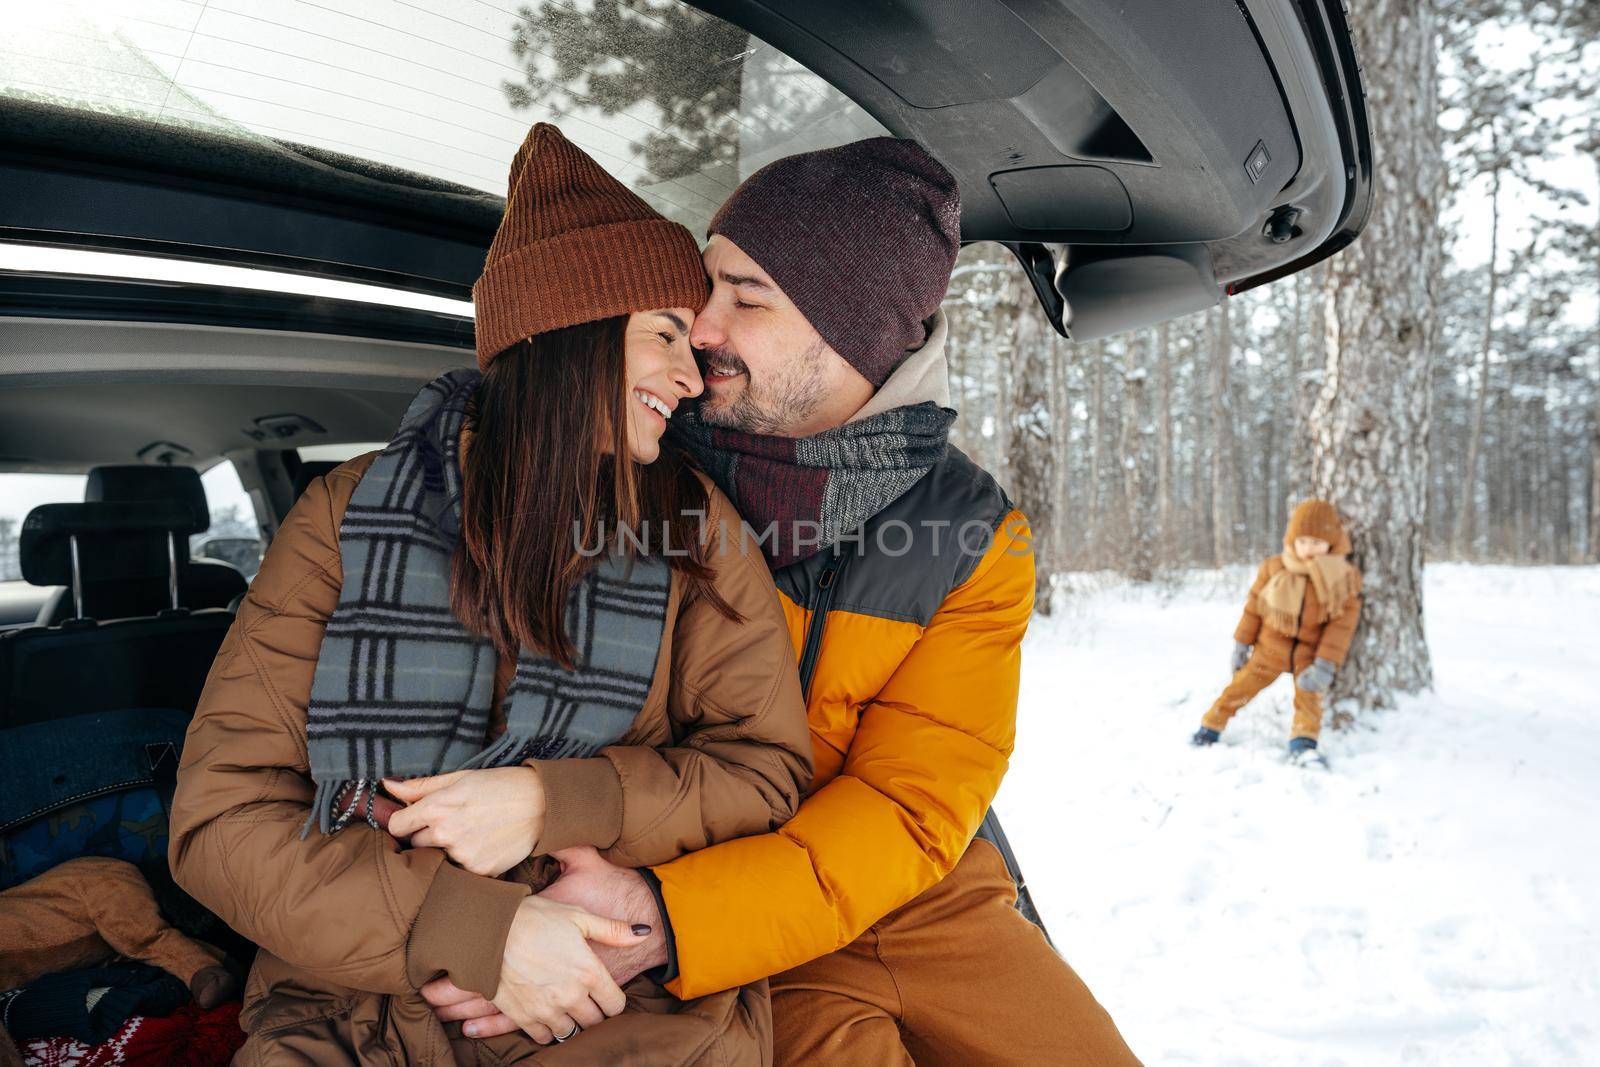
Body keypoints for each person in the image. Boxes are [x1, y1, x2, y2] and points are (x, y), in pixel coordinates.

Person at [428, 138, 1142, 1065]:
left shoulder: (971, 534)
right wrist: (671, 909)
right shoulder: (644, 457)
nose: (702, 328)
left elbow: (909, 805)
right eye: (705, 286)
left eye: (746, 298)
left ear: (852, 333)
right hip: (695, 897)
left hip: (908, 896)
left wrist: (672, 917)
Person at [167, 125, 812, 1065]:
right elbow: (222, 818)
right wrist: (476, 929)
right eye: (664, 334)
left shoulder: (694, 527)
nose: (689, 374)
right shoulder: (345, 515)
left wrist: (556, 801)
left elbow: (764, 772)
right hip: (346, 1009)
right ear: (572, 330)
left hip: (606, 1004)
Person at [1191, 498, 1363, 761]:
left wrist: (1326, 665)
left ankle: (1303, 743)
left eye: (1317, 543)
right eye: (1302, 541)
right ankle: (1210, 726)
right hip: (1269, 649)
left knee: (1310, 700)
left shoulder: (1343, 578)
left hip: (1309, 655)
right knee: (1238, 689)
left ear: (1332, 542)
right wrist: (1241, 645)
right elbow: (1253, 609)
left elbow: (1341, 627)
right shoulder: (1274, 567)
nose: (1308, 549)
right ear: (1292, 539)